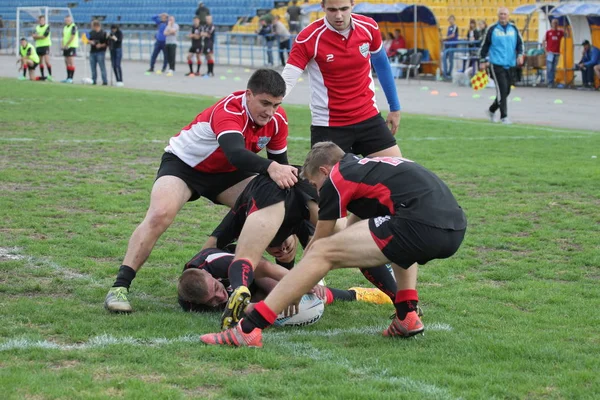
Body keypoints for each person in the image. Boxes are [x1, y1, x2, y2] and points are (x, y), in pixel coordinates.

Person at [200, 142, 467, 347]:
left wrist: (297, 287)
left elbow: (320, 243)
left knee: (321, 253)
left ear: (324, 170)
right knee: (393, 245)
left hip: (419, 223)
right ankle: (407, 316)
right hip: (453, 228)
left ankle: (248, 330)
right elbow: (355, 236)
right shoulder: (368, 170)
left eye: (315, 183)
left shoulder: (338, 178)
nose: (316, 191)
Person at [103, 69, 298, 313]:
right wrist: (271, 167)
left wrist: (284, 225)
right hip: (185, 165)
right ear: (249, 95)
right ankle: (120, 287)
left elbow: (281, 174)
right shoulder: (229, 110)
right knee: (160, 214)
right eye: (265, 103)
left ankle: (292, 287)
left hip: (227, 172)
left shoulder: (277, 120)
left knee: (275, 209)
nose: (270, 112)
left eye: (276, 105)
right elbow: (236, 153)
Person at [281, 0, 418, 307]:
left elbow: (381, 65)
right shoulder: (309, 37)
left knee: (401, 185)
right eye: (332, 10)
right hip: (330, 127)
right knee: (322, 208)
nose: (339, 16)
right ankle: (312, 275)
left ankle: (403, 288)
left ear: (353, 4)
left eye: (344, 8)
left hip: (369, 121)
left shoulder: (369, 28)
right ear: (322, 8)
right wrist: (269, 103)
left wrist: (394, 106)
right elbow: (288, 77)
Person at [202, 172, 398, 328]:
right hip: (293, 182)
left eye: (283, 244)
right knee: (348, 246)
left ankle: (239, 289)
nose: (282, 249)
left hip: (286, 184)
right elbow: (209, 250)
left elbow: (208, 250)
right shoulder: (245, 219)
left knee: (249, 258)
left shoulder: (300, 224)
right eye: (274, 248)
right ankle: (403, 304)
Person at [178, 247, 390, 313]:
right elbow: (234, 308)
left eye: (217, 288)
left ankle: (356, 293)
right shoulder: (191, 303)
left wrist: (301, 282)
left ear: (212, 277)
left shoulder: (216, 264)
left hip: (252, 266)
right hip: (241, 283)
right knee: (267, 304)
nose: (220, 296)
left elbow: (263, 267)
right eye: (212, 300)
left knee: (289, 289)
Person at [479, 7, 524, 125]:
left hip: (510, 64)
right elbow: (485, 45)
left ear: (508, 16)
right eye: (501, 14)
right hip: (496, 64)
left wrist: (520, 55)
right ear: (498, 16)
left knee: (507, 91)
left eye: (505, 14)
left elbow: (520, 44)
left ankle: (491, 110)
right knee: (502, 90)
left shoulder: (513, 28)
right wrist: (482, 60)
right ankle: (504, 116)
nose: (503, 16)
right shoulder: (492, 29)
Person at [543, 19, 565, 88]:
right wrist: (545, 51)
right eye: (553, 23)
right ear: (551, 24)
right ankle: (550, 82)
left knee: (555, 68)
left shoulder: (560, 32)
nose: (555, 24)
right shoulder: (548, 32)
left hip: (557, 53)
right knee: (549, 68)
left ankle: (554, 81)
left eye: (556, 23)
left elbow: (567, 36)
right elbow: (543, 41)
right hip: (550, 53)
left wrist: (566, 28)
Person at [32, 15, 53, 81]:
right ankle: (42, 76)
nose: (41, 21)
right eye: (40, 20)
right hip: (38, 46)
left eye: (42, 20)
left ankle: (50, 75)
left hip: (45, 45)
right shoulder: (37, 27)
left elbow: (44, 36)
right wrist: (37, 37)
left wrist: (37, 36)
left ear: (44, 20)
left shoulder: (47, 27)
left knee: (47, 61)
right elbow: (33, 36)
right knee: (40, 62)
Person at [88, 20, 108, 86]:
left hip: (100, 52)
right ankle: (94, 80)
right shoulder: (91, 33)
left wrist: (101, 45)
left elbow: (107, 43)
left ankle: (104, 81)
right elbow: (85, 39)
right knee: (93, 68)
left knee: (102, 67)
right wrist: (90, 42)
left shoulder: (104, 33)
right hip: (92, 52)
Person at [61, 15, 78, 83]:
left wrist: (67, 44)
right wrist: (62, 44)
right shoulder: (65, 27)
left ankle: (71, 78)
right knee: (66, 62)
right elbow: (64, 37)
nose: (67, 21)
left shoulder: (73, 27)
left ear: (71, 20)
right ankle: (68, 77)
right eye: (66, 20)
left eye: (68, 20)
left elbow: (72, 36)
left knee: (71, 62)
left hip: (71, 46)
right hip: (65, 47)